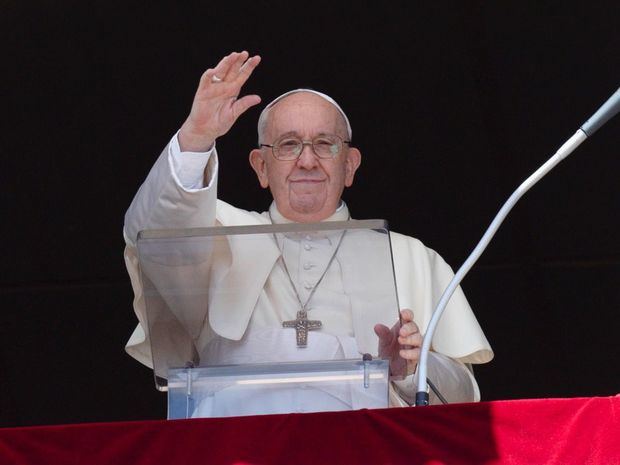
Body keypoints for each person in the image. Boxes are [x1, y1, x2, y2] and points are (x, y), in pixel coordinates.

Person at [123, 51, 493, 409]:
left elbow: (463, 400)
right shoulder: (217, 236)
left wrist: (410, 370)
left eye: (324, 144)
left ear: (350, 165)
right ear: (261, 167)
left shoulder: (410, 257)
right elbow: (152, 242)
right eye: (288, 145)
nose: (307, 160)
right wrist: (196, 138)